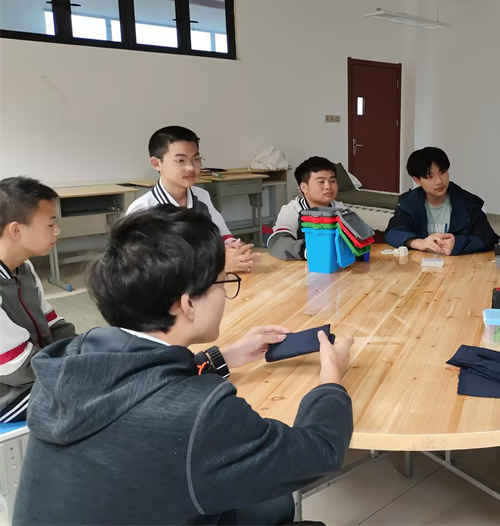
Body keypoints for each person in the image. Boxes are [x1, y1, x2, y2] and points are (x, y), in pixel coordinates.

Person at [15, 205, 355, 526]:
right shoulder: (202, 414)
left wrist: (221, 358)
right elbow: (319, 451)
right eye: (224, 282)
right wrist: (330, 380)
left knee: (273, 505)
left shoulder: (69, 359)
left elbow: (140, 383)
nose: (226, 293)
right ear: (188, 303)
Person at [127, 125, 255, 273]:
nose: (191, 168)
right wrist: (219, 266)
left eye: (196, 159)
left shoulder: (201, 197)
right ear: (157, 163)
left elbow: (223, 236)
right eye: (180, 160)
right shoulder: (143, 210)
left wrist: (235, 250)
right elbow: (144, 270)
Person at [0, 177, 76, 424]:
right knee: (91, 394)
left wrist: (85, 349)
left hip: (35, 371)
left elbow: (53, 324)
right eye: (50, 224)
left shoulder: (24, 267)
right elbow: (17, 369)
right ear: (16, 230)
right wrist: (76, 368)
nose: (57, 231)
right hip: (9, 393)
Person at [385, 147, 497, 255]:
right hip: (419, 264)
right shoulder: (408, 203)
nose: (439, 181)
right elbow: (393, 232)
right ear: (417, 180)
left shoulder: (468, 202)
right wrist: (418, 242)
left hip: (458, 264)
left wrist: (458, 243)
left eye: (442, 172)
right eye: (430, 176)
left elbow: (488, 238)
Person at [268, 156, 345, 260]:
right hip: (300, 266)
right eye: (321, 182)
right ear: (304, 188)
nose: (328, 186)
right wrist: (309, 251)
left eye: (332, 181)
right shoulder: (292, 210)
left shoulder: (341, 209)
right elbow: (278, 242)